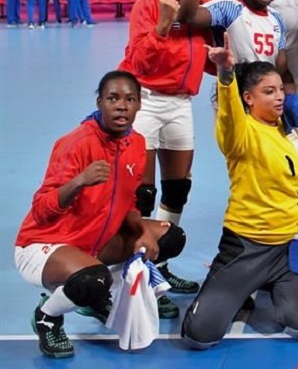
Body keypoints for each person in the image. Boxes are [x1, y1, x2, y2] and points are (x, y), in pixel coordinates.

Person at [14, 71, 187, 358]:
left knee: (170, 237)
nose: (122, 105)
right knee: (92, 280)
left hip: (95, 241)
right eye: (113, 99)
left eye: (130, 99)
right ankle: (48, 316)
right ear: (100, 102)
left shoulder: (136, 144)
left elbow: (127, 204)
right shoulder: (76, 143)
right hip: (44, 244)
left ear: (138, 105)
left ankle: (93, 295)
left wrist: (143, 232)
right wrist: (78, 181)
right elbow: (41, 208)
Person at [181, 38, 298, 348]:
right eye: (269, 92)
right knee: (199, 337)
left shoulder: (288, 129)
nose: (280, 97)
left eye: (280, 89)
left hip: (287, 248)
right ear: (249, 98)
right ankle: (241, 286)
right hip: (245, 245)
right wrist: (225, 72)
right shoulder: (240, 134)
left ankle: (265, 287)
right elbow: (229, 114)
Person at [117, 0, 212, 296]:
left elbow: (200, 56)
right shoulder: (149, 3)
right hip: (148, 101)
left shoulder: (202, 7)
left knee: (177, 189)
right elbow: (136, 61)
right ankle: (133, 268)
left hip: (181, 105)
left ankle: (160, 263)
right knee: (142, 193)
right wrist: (161, 24)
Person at [177, 0, 293, 103]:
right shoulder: (229, 8)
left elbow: (283, 70)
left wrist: (291, 105)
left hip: (266, 104)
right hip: (233, 98)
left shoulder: (277, 18)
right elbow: (187, 15)